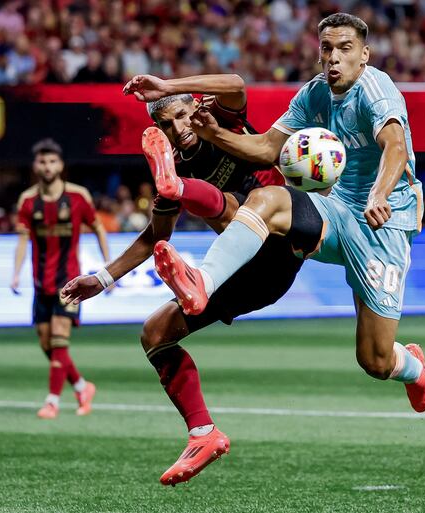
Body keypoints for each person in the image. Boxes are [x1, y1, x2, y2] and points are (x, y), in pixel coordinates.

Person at [153, 13, 425, 428]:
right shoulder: (315, 93)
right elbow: (267, 148)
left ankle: (414, 369)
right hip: (337, 210)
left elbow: (394, 146)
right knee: (266, 198)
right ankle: (203, 281)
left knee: (374, 359)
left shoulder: (378, 90)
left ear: (364, 55)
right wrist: (213, 133)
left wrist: (378, 194)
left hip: (383, 225)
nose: (333, 59)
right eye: (326, 49)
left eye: (345, 49)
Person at [61, 73, 318, 486]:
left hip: (283, 235)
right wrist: (103, 277)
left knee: (240, 208)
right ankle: (203, 433)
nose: (178, 129)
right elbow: (156, 237)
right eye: (166, 124)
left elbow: (235, 83)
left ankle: (191, 236)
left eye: (181, 115)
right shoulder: (175, 164)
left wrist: (164, 86)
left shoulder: (220, 119)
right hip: (254, 276)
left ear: (196, 106)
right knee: (154, 333)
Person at [11, 138, 110, 419]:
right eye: (42, 161)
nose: (47, 166)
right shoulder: (28, 201)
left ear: (61, 165)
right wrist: (16, 274)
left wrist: (108, 268)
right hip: (41, 283)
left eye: (52, 161)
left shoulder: (78, 197)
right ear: (35, 166)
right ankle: (82, 386)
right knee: (47, 344)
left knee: (59, 340)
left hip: (70, 285)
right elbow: (22, 241)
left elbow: (99, 228)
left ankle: (52, 401)